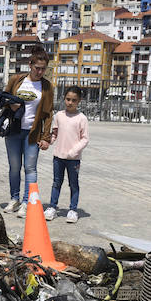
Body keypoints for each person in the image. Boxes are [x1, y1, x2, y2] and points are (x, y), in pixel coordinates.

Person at [2, 46, 54, 218]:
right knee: (14, 167)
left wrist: (46, 137)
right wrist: (11, 104)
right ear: (30, 64)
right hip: (14, 131)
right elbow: (2, 98)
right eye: (37, 68)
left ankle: (26, 202)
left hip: (32, 133)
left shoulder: (46, 86)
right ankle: (14, 198)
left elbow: (48, 113)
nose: (40, 71)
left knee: (30, 168)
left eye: (43, 69)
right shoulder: (17, 79)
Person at [44, 86, 89, 224]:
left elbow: (85, 139)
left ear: (79, 101)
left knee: (73, 184)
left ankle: (73, 210)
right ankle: (52, 207)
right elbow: (55, 134)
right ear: (64, 98)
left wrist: (73, 152)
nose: (70, 102)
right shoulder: (59, 116)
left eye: (74, 100)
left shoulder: (82, 118)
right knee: (56, 182)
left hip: (73, 159)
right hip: (58, 157)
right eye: (68, 99)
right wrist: (47, 142)